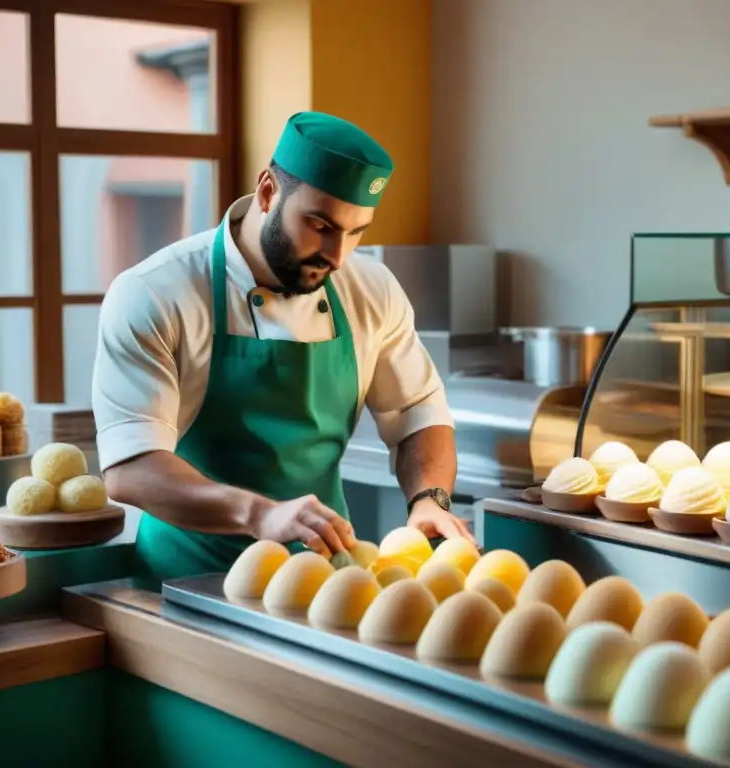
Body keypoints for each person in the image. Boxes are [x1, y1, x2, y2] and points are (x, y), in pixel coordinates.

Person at [92, 111, 473, 584]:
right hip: (186, 580)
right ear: (269, 191)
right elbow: (131, 468)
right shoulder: (155, 292)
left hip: (328, 579)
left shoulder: (371, 289)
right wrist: (258, 514)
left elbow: (418, 411)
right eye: (320, 225)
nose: (337, 257)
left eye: (356, 233)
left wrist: (428, 499)